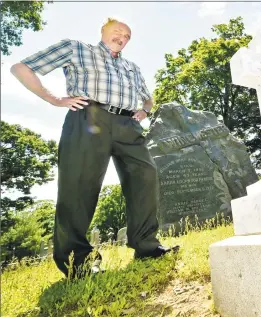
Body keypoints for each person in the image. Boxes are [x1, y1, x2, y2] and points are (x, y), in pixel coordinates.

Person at [11, 17, 179, 278]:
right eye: (117, 31)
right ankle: (78, 262)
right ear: (103, 31)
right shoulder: (76, 48)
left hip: (128, 124)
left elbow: (148, 97)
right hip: (88, 117)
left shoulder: (132, 67)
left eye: (127, 35)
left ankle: (146, 245)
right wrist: (54, 98)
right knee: (79, 186)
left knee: (145, 176)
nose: (121, 37)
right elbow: (21, 68)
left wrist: (144, 110)